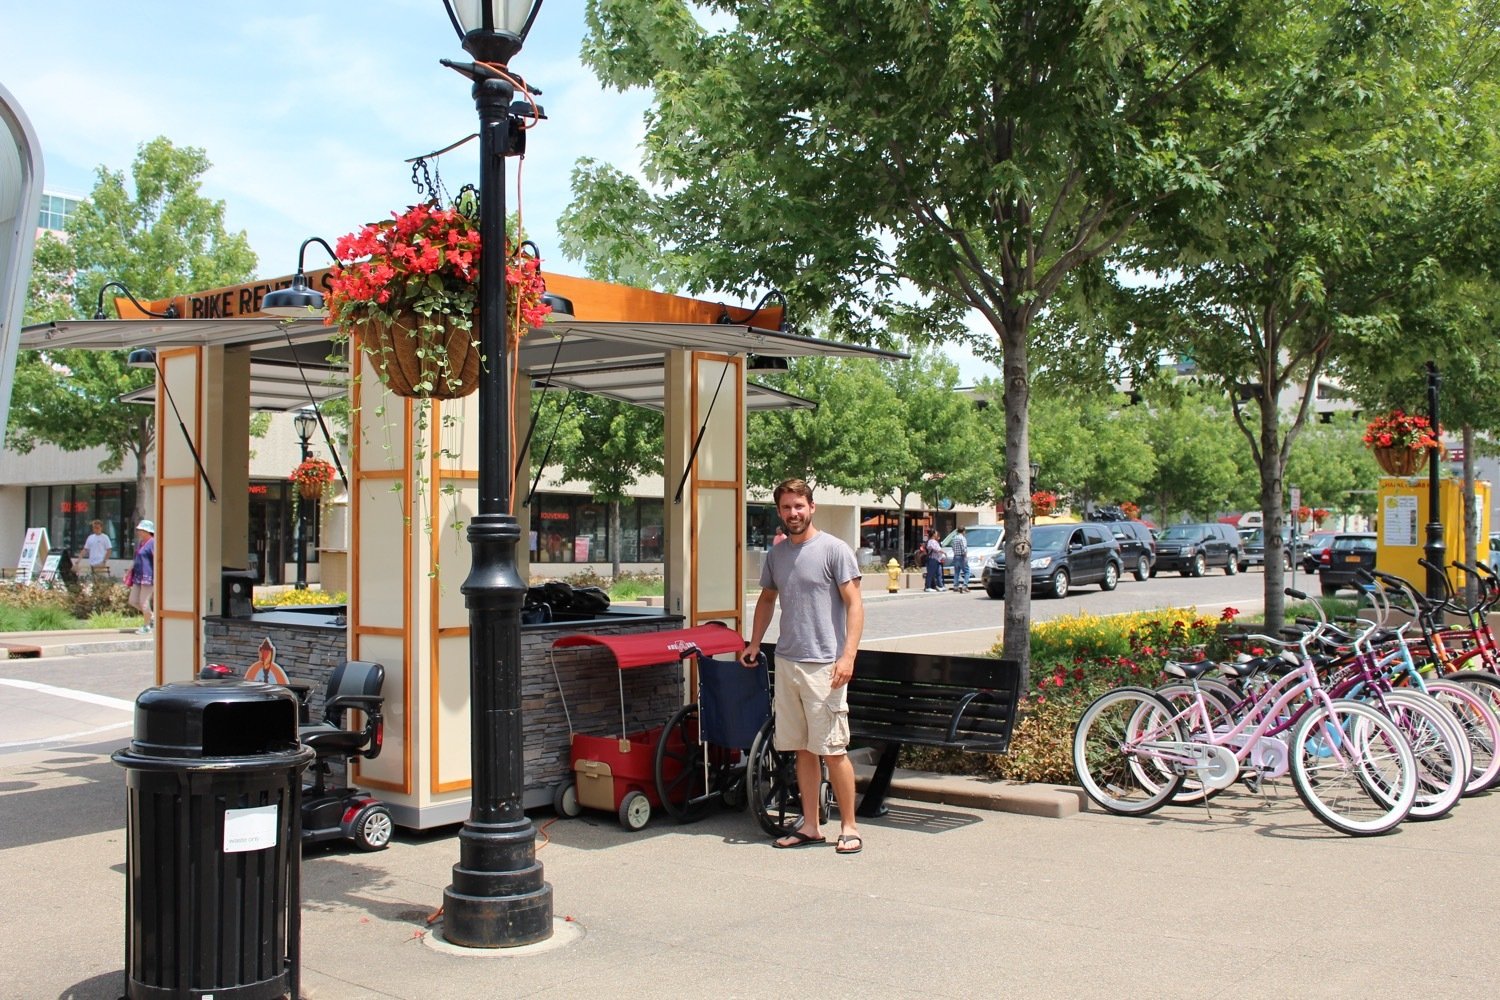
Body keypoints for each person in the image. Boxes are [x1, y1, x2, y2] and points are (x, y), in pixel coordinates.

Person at [742, 478, 865, 855]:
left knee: (832, 748)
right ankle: (810, 825)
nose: (792, 514)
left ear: (812, 507)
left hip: (825, 666)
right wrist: (753, 641)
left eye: (799, 506)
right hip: (788, 661)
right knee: (801, 750)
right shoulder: (777, 555)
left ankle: (849, 827)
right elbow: (766, 599)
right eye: (785, 508)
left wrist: (848, 656)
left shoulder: (834, 550)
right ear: (778, 512)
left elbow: (855, 605)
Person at [128, 520, 155, 634]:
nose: (138, 532)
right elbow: (137, 558)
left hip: (148, 577)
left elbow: (157, 560)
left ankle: (147, 625)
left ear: (147, 531)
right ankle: (152, 617)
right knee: (133, 600)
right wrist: (130, 570)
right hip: (138, 576)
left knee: (144, 602)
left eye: (140, 530)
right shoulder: (141, 543)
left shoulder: (153, 542)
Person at [923, 528, 945, 592]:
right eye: (935, 533)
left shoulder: (934, 541)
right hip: (932, 559)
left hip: (936, 559)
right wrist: (943, 552)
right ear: (933, 534)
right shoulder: (931, 541)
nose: (936, 534)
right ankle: (928, 586)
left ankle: (939, 586)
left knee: (938, 573)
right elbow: (936, 549)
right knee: (930, 573)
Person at [950, 526, 970, 593]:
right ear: (963, 531)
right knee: (967, 571)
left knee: (957, 572)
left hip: (955, 556)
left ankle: (955, 586)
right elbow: (964, 548)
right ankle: (965, 585)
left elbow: (952, 547)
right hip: (961, 556)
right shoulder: (962, 538)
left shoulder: (954, 538)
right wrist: (965, 557)